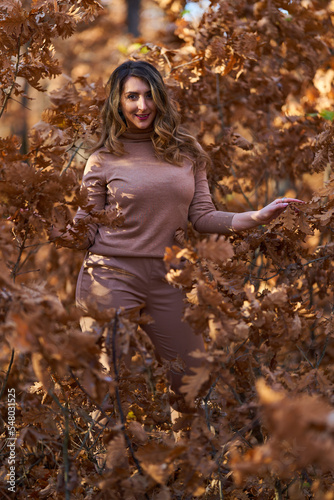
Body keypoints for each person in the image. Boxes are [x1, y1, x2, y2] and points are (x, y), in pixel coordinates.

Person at [50, 60, 303, 412]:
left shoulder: (187, 154)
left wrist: (257, 216)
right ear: (118, 102)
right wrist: (55, 226)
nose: (142, 106)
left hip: (169, 277)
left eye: (149, 96)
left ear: (161, 99)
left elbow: (202, 215)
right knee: (110, 387)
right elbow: (86, 226)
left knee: (192, 383)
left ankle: (182, 464)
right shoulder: (102, 160)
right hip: (111, 276)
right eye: (132, 97)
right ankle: (108, 463)